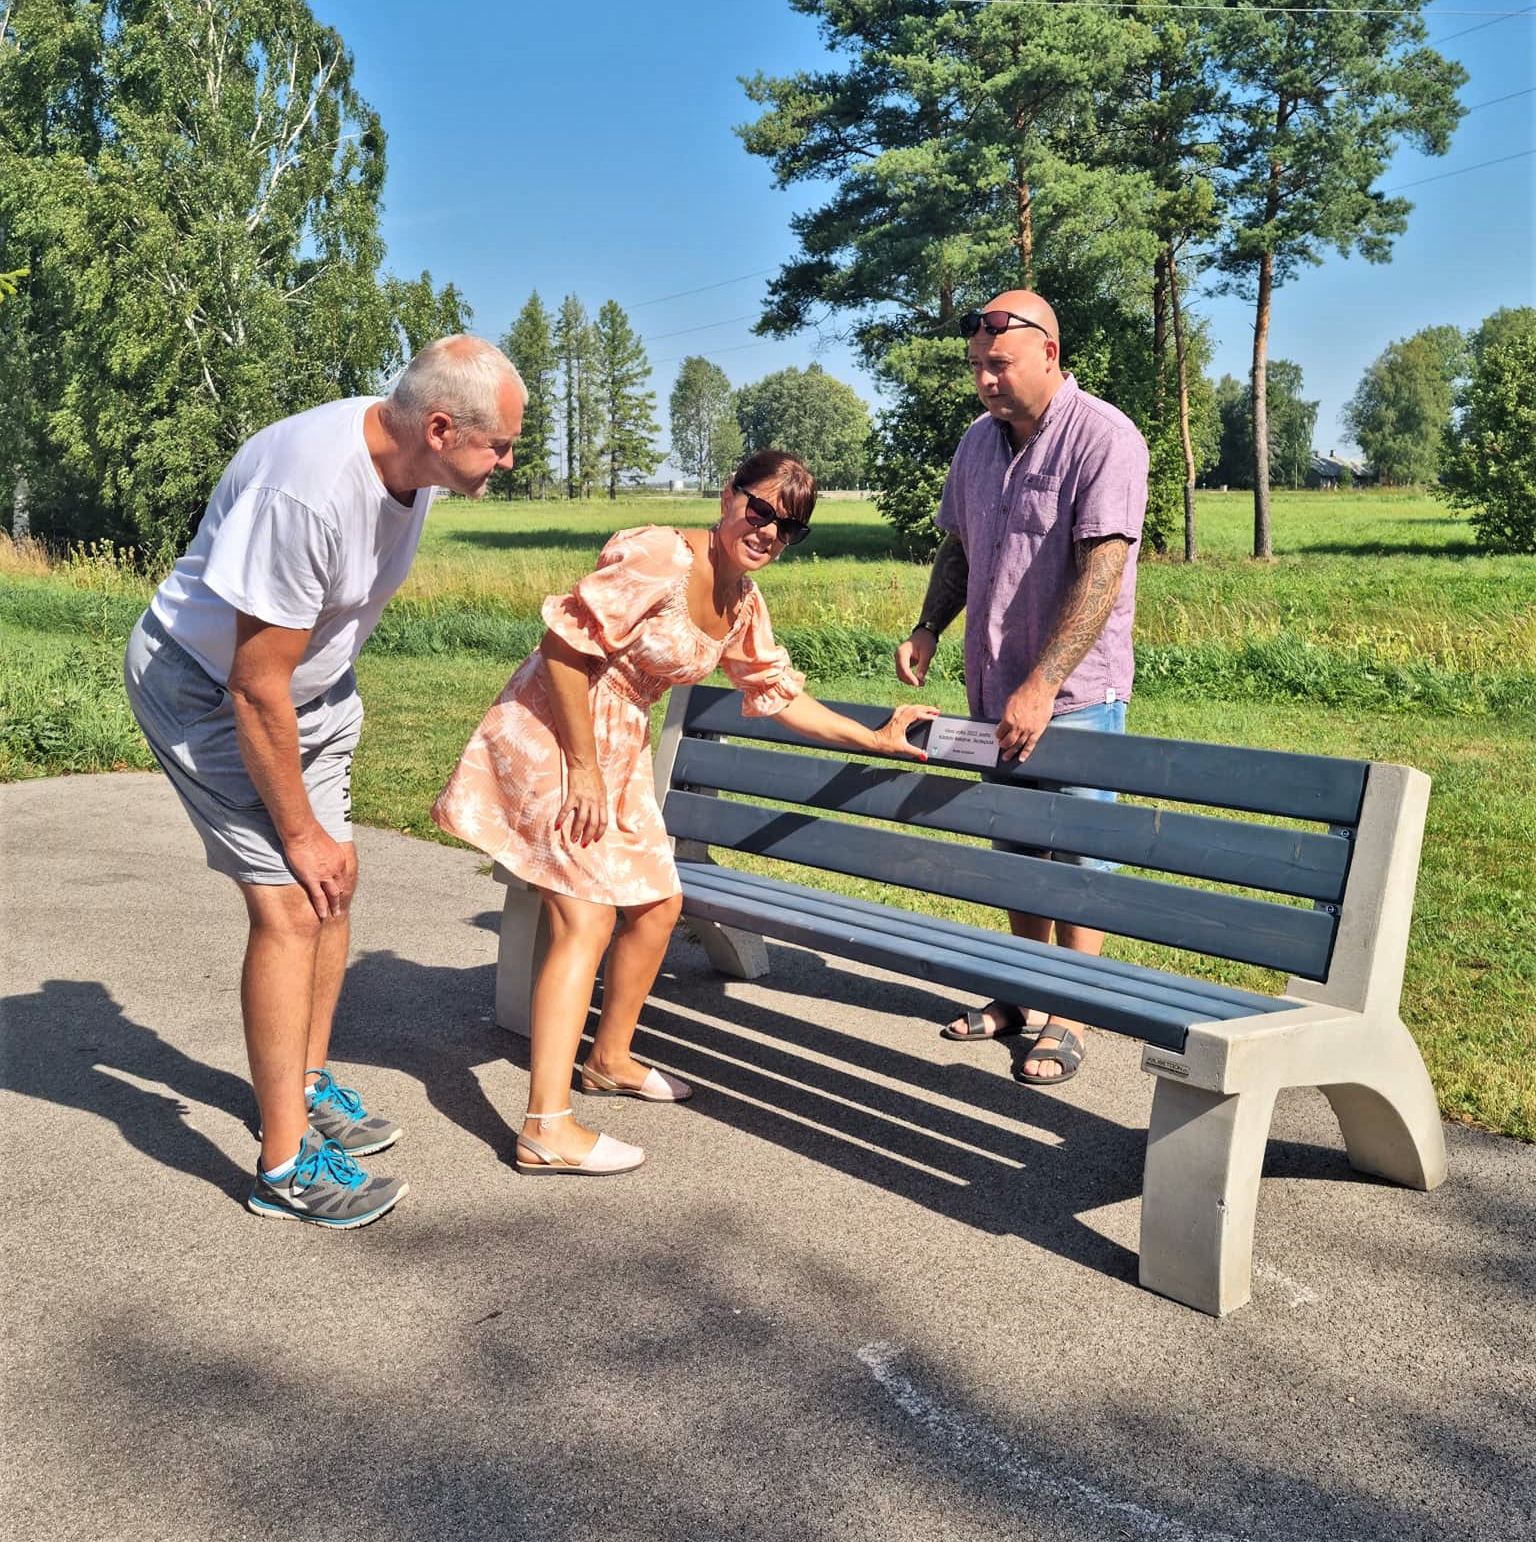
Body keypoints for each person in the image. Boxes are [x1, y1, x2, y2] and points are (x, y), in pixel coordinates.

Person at [433, 449, 938, 1177]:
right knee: (587, 915)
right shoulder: (660, 555)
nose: (767, 529)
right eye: (759, 508)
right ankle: (545, 1126)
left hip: (619, 746)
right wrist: (581, 769)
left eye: (787, 526)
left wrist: (875, 736)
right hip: (556, 727)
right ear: (729, 494)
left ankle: (607, 1059)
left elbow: (776, 690)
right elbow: (565, 647)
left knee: (659, 904)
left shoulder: (742, 603)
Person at [124, 336, 526, 1226]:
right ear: (441, 425)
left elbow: (312, 644)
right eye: (500, 446)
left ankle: (302, 1085)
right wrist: (298, 829)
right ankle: (281, 1167)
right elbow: (252, 682)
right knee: (291, 900)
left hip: (312, 691)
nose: (508, 461)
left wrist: (322, 814)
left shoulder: (413, 470)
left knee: (335, 885)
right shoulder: (306, 490)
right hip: (208, 687)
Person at [894, 289, 1148, 1086]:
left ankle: (1069, 1010)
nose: (985, 382)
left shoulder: (1105, 438)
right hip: (993, 688)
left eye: (998, 365)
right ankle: (1023, 990)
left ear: (1047, 352)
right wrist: (929, 626)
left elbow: (1103, 574)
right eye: (976, 366)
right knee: (1014, 847)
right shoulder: (978, 442)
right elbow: (960, 547)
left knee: (1075, 856)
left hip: (1076, 697)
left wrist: (1042, 681)